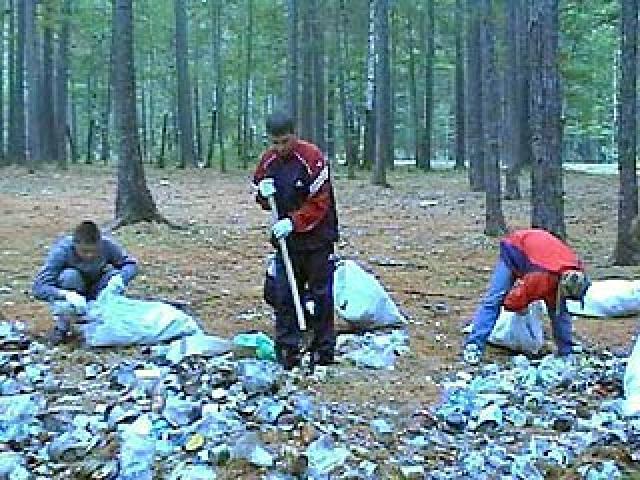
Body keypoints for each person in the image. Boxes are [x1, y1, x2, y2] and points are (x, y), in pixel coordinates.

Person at [253, 111, 339, 370]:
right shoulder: (268, 162)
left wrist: (293, 222)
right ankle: (288, 349)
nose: (281, 148)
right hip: (287, 242)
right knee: (285, 293)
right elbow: (261, 195)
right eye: (275, 143)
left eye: (285, 141)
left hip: (317, 238)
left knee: (321, 294)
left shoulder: (312, 158)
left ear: (294, 135)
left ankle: (323, 350)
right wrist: (262, 193)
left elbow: (320, 201)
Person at [463, 228, 591, 364]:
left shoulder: (576, 270)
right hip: (515, 247)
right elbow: (511, 301)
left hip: (541, 254)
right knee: (494, 300)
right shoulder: (540, 278)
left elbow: (560, 311)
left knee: (559, 311)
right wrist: (521, 306)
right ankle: (474, 346)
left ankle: (565, 350)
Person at [33, 220, 138, 345]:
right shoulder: (62, 250)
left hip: (98, 289)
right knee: (70, 276)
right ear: (74, 244)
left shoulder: (107, 245)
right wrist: (65, 294)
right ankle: (62, 327)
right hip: (72, 292)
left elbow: (130, 264)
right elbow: (39, 287)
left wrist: (119, 279)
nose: (90, 255)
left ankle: (104, 323)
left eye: (94, 251)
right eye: (84, 251)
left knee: (114, 275)